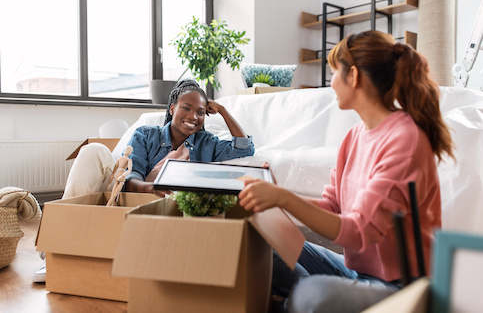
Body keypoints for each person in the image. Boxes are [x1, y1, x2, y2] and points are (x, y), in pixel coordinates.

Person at [238, 30, 454, 312]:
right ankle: (301, 296)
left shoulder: (406, 139)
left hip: (401, 287)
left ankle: (301, 296)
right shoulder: (354, 137)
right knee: (259, 242)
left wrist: (283, 199)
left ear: (353, 76)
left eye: (334, 72)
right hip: (355, 273)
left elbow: (357, 231)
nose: (331, 83)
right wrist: (276, 196)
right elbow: (333, 206)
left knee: (312, 294)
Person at [32, 79, 255, 282]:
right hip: (125, 193)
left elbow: (245, 148)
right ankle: (52, 250)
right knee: (93, 150)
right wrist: (151, 187)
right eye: (186, 108)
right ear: (172, 108)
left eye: (200, 112)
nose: (193, 117)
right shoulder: (147, 134)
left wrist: (224, 111)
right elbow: (130, 176)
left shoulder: (207, 143)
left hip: (161, 210)